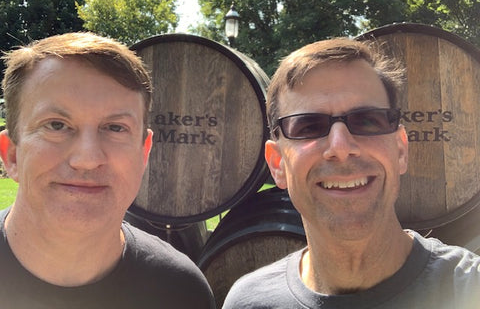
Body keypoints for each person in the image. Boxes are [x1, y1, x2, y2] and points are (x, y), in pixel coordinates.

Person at [222, 38, 480, 308]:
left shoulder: (470, 289)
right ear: (278, 164)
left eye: (367, 120)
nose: (341, 148)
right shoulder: (249, 303)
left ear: (401, 150)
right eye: (308, 126)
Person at [0, 32, 215, 308]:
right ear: (12, 154)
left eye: (115, 128)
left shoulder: (181, 291)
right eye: (56, 125)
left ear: (144, 153)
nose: (88, 159)